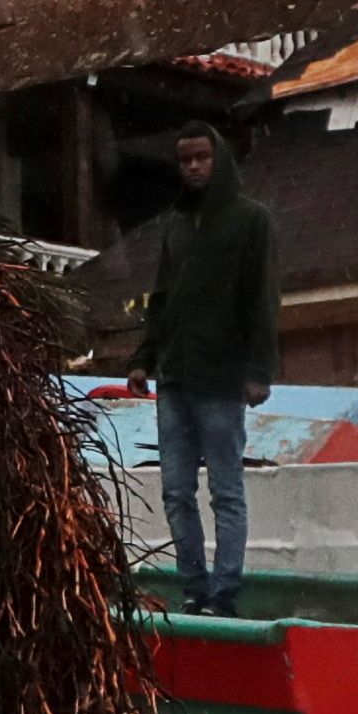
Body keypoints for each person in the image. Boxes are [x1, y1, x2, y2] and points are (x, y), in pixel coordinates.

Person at [131, 119, 282, 609]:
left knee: (225, 492)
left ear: (219, 158)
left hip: (221, 379)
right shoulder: (175, 225)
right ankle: (193, 590)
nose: (194, 167)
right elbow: (161, 297)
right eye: (185, 159)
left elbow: (262, 297)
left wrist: (259, 370)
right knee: (176, 493)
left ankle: (224, 592)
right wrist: (143, 359)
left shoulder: (250, 220)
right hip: (173, 379)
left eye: (202, 157)